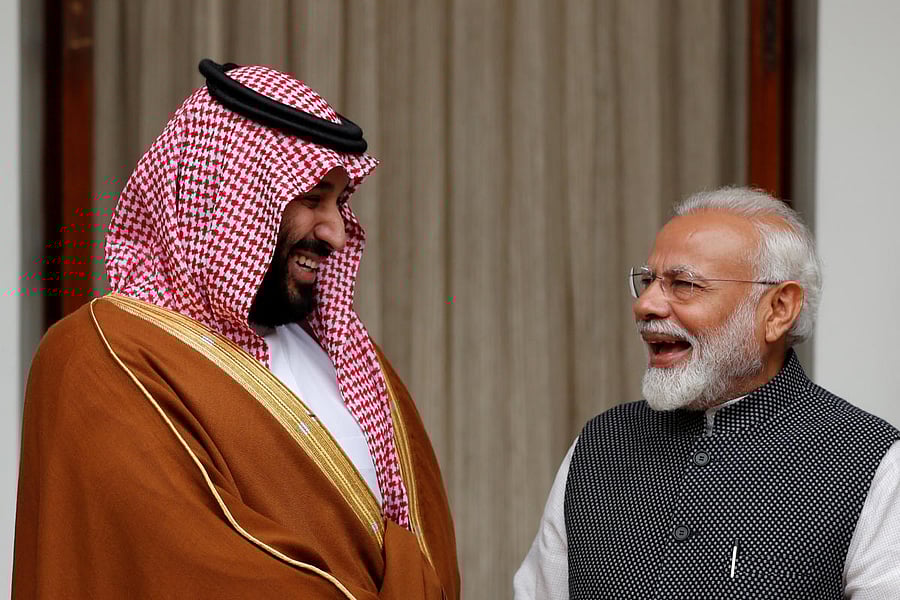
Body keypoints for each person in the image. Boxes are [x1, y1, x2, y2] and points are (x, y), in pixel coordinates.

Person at [14, 60, 458, 600]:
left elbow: (425, 544)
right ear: (226, 195)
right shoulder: (99, 357)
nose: (337, 233)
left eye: (341, 202)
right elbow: (190, 570)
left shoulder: (353, 362)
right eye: (313, 198)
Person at [514, 187, 900, 599]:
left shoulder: (872, 461)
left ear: (779, 309)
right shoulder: (599, 444)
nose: (645, 304)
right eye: (648, 281)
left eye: (684, 284)